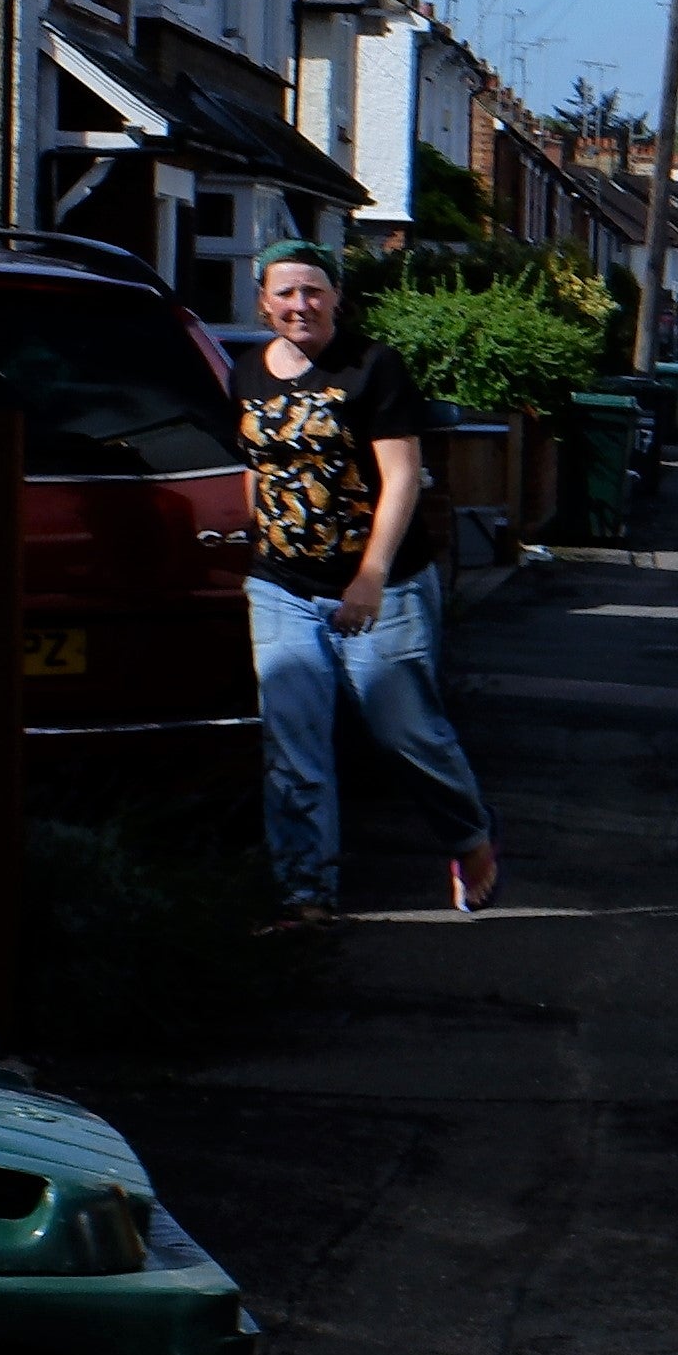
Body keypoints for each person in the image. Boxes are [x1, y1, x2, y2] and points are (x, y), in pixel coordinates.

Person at [237, 243, 504, 936]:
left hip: (381, 585)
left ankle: (468, 836)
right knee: (292, 743)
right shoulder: (245, 371)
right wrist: (253, 544)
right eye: (286, 293)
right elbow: (254, 468)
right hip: (282, 589)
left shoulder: (372, 367)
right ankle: (305, 897)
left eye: (314, 291)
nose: (301, 305)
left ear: (336, 297)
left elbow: (402, 477)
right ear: (263, 301)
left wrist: (371, 576)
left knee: (404, 731)